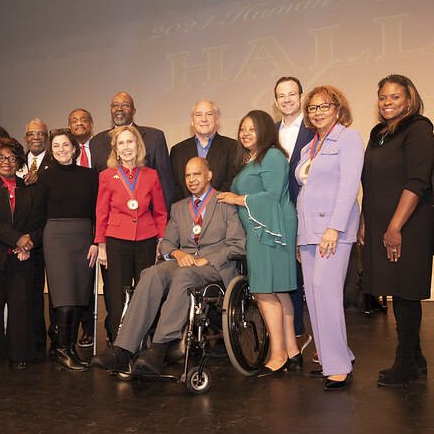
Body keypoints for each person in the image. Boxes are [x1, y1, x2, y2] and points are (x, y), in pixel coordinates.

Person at [92, 157, 245, 375]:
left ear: (208, 175)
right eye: (188, 175)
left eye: (197, 174)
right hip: (185, 262)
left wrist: (208, 259)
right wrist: (176, 252)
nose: (192, 179)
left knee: (184, 274)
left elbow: (238, 245)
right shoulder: (179, 208)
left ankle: (158, 349)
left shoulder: (225, 205)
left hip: (214, 266)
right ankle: (122, 349)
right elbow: (166, 242)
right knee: (152, 273)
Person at [359, 74, 434, 387]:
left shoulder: (418, 128)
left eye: (395, 97)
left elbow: (417, 181)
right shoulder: (378, 133)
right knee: (395, 291)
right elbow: (368, 181)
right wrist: (364, 220)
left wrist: (394, 226)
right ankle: (415, 359)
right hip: (380, 223)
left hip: (407, 224)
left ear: (409, 99)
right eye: (383, 97)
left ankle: (405, 361)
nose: (388, 103)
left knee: (405, 292)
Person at [217, 110, 300, 378]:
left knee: (264, 292)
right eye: (243, 128)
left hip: (269, 229)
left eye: (252, 128)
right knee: (279, 291)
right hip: (263, 229)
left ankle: (277, 356)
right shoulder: (253, 159)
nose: (246, 133)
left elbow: (272, 195)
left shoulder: (272, 155)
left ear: (265, 130)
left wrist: (236, 199)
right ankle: (292, 351)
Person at [294, 86, 363, 390]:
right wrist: (299, 236)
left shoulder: (349, 137)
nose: (318, 112)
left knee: (326, 293)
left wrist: (335, 228)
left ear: (337, 108)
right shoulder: (308, 147)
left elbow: (350, 187)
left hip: (332, 231)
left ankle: (337, 367)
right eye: (312, 108)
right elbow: (302, 195)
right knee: (315, 296)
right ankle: (335, 356)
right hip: (308, 232)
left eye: (324, 106)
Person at [0, 137, 45, 373]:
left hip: (22, 257)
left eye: (12, 158)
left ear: (19, 162)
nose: (7, 162)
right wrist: (17, 239)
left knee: (21, 307)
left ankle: (20, 354)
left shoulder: (30, 188)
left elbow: (39, 221)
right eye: (2, 157)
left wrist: (28, 243)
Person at [95, 125, 168, 342]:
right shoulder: (107, 176)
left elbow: (161, 211)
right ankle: (120, 342)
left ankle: (146, 341)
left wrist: (161, 240)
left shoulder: (151, 175)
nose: (126, 147)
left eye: (130, 142)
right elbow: (101, 212)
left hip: (146, 239)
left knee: (147, 292)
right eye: (121, 143)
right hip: (117, 241)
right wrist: (101, 245)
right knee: (117, 294)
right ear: (115, 149)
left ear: (138, 146)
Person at [37, 128, 98, 371]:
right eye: (56, 146)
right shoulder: (46, 176)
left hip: (84, 236)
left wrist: (96, 241)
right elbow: (38, 213)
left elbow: (97, 212)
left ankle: (68, 347)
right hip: (56, 237)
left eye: (65, 145)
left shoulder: (90, 175)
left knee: (79, 293)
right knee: (64, 294)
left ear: (74, 148)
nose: (61, 149)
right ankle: (61, 349)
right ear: (52, 152)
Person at [273, 76, 315, 358]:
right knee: (287, 277)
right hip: (277, 215)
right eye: (281, 95)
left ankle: (319, 340)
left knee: (311, 279)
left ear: (301, 96)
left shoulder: (315, 128)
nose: (287, 99)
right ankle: (295, 332)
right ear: (275, 101)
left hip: (307, 212)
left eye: (292, 94)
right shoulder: (270, 132)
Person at [91, 92, 175, 211]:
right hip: (112, 221)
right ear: (110, 109)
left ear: (134, 111)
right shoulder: (96, 142)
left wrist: (164, 222)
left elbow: (166, 184)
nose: (119, 109)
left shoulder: (154, 137)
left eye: (125, 105)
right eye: (115, 105)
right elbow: (96, 188)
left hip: (147, 219)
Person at [17, 118, 51, 351]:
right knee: (31, 291)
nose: (36, 137)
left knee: (57, 293)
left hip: (51, 233)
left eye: (40, 133)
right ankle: (35, 339)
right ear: (25, 137)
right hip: (25, 237)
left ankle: (58, 339)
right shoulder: (16, 162)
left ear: (47, 137)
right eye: (31, 134)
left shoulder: (56, 160)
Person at [67, 108, 97, 347]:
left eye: (83, 120)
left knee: (88, 279)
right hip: (69, 226)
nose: (79, 124)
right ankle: (75, 329)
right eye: (74, 121)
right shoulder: (61, 153)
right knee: (71, 281)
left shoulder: (102, 149)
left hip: (94, 221)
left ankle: (93, 329)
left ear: (91, 124)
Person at [169, 100, 237, 202]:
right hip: (187, 213)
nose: (204, 119)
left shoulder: (233, 147)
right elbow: (175, 188)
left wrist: (209, 205)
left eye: (209, 114)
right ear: (192, 121)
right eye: (198, 115)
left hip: (220, 210)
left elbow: (232, 183)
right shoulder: (177, 151)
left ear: (217, 119)